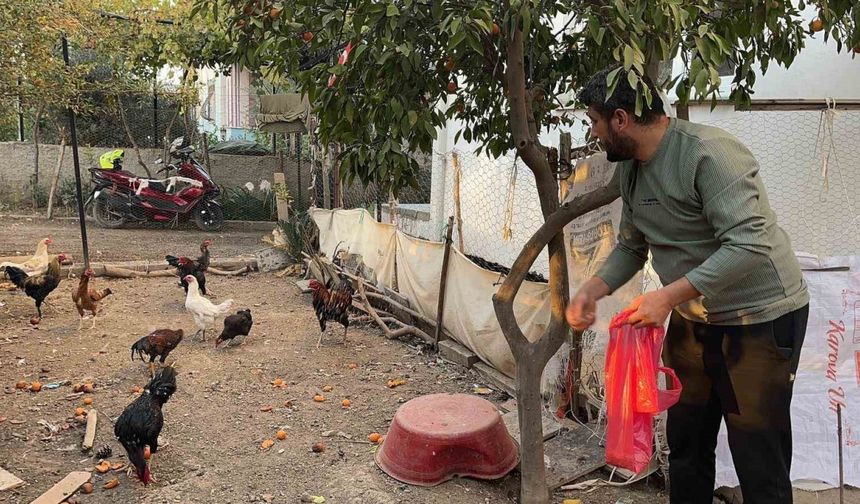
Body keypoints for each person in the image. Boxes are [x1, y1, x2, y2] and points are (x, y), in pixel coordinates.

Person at [566, 67, 809, 504]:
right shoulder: (632, 171)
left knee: (759, 456)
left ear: (620, 119)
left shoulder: (709, 154)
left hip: (760, 319)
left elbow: (750, 243)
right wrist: (592, 290)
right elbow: (631, 246)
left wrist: (667, 296)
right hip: (694, 318)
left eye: (594, 121)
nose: (594, 133)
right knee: (687, 444)